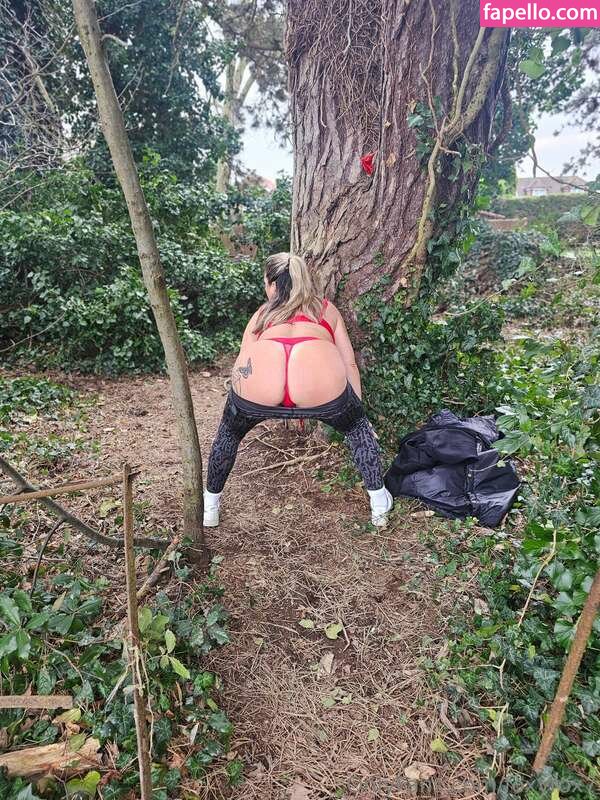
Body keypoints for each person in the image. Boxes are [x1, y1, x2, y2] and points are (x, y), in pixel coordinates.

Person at [203, 252, 393, 528]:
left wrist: (240, 396)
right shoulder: (326, 310)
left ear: (272, 284)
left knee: (229, 433)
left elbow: (243, 358)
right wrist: (357, 413)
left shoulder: (262, 314)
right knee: (356, 429)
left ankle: (210, 508)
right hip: (319, 387)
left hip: (260, 389)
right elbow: (350, 363)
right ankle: (379, 507)